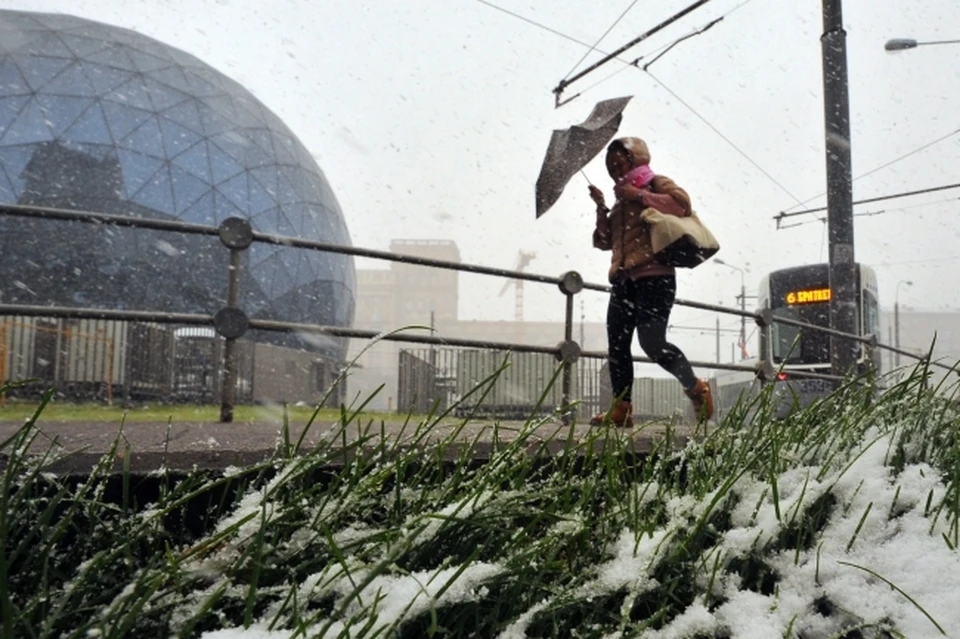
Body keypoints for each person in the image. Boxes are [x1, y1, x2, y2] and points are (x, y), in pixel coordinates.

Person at [589, 137, 713, 427]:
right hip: (623, 280)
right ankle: (622, 410)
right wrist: (601, 208)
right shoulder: (619, 201)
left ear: (635, 159)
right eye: (610, 166)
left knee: (652, 343)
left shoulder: (653, 182)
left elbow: (681, 205)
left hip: (656, 278)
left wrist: (640, 195)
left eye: (619, 162)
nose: (615, 170)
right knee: (617, 345)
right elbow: (605, 242)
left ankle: (696, 387)